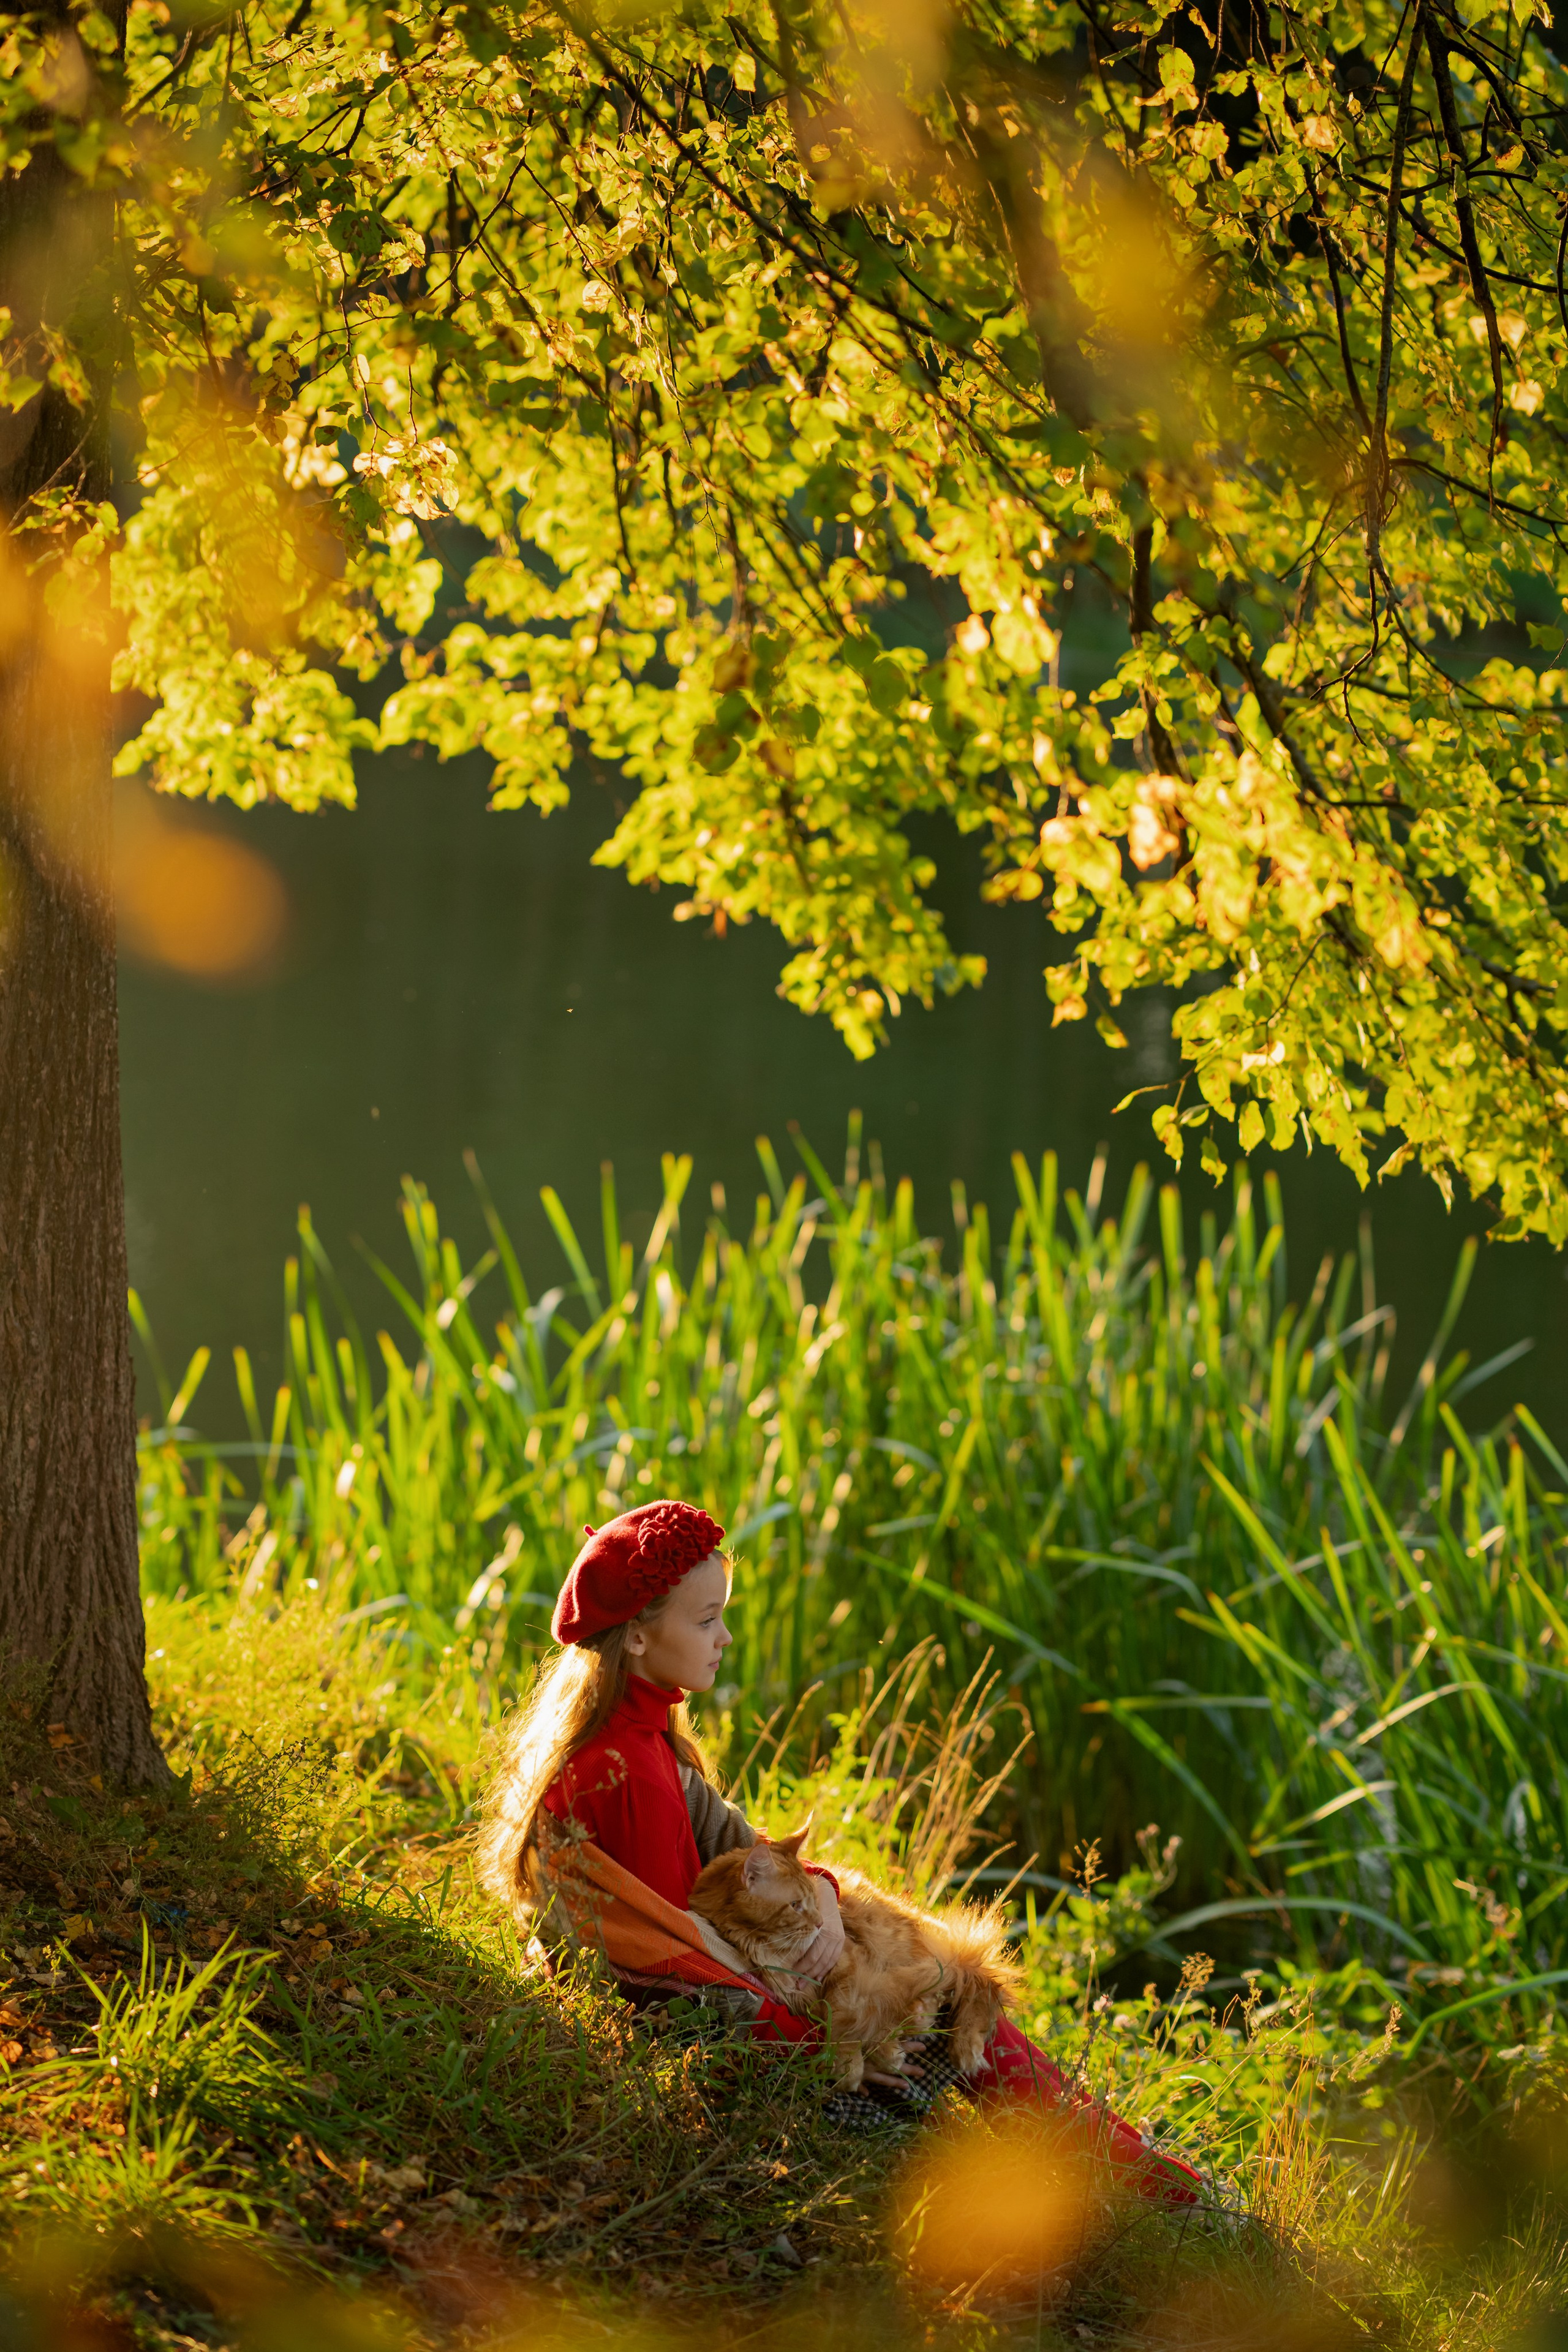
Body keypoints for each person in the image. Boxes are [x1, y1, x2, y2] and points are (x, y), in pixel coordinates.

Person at [477, 1498, 1200, 2202]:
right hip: (743, 2049)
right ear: (636, 1635)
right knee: (947, 2011)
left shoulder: (643, 1739)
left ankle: (1133, 2173)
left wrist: (820, 1896)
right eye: (707, 1620)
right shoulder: (624, 1771)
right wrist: (827, 2044)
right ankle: (1145, 2187)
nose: (724, 1638)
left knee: (943, 1990)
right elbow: (674, 1968)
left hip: (760, 2001)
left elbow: (742, 1853)